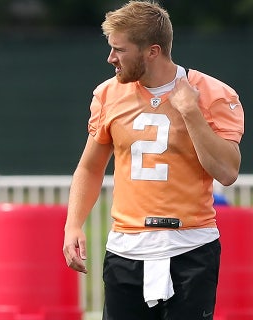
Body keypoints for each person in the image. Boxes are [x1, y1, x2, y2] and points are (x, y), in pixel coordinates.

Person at [62, 1, 244, 319]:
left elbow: (227, 172)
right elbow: (90, 167)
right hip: (126, 248)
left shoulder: (210, 94)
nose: (111, 58)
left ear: (152, 51)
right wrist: (73, 224)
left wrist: (191, 112)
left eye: (120, 49)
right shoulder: (108, 95)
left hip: (190, 247)